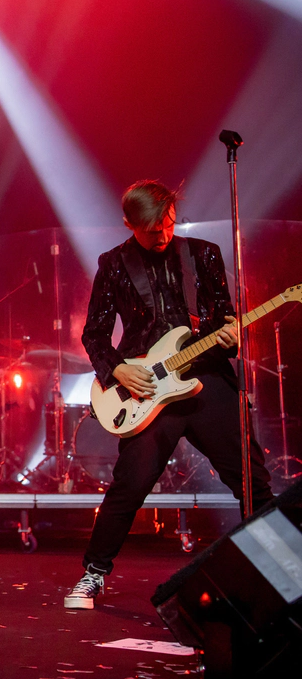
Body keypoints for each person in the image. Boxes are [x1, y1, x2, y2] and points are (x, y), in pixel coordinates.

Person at [65, 180, 274, 609]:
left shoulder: (203, 254)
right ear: (129, 224)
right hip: (146, 388)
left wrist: (231, 335)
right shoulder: (113, 264)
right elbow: (95, 334)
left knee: (251, 479)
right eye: (151, 230)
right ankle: (93, 574)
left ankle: (275, 568)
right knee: (130, 485)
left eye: (168, 225)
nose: (162, 235)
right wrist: (118, 369)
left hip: (205, 377)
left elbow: (224, 320)